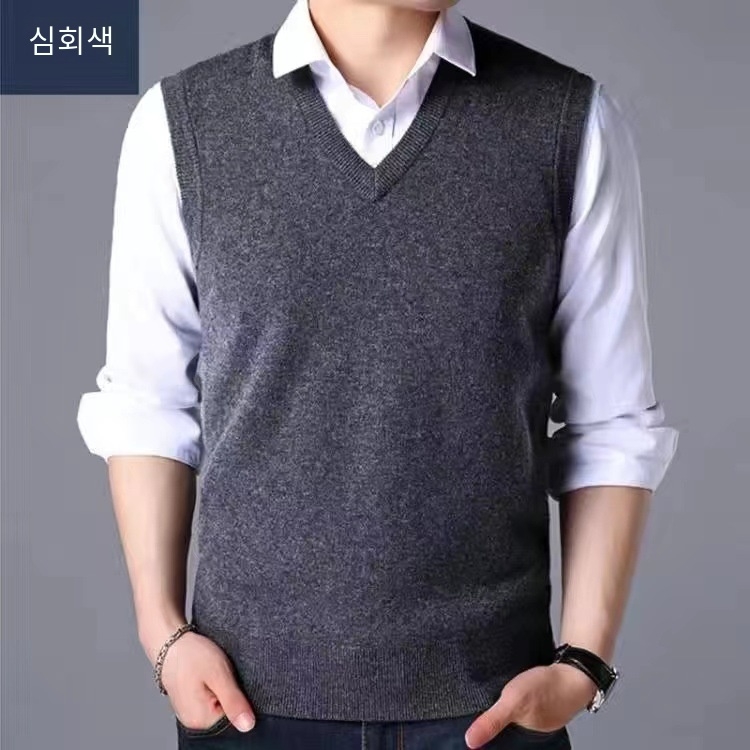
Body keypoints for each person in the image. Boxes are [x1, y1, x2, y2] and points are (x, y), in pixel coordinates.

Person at [76, 1, 679, 748]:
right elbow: (148, 405)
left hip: (492, 708)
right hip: (248, 706)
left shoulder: (570, 123)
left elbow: (612, 423)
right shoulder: (183, 123)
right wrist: (164, 636)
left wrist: (583, 662)